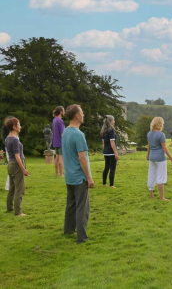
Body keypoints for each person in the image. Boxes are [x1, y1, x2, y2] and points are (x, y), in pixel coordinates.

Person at [62, 104, 94, 243]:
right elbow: (82, 158)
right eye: (82, 112)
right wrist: (89, 178)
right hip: (79, 177)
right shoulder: (79, 135)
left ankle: (68, 230)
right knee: (82, 208)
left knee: (71, 205)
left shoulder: (65, 133)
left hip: (69, 175)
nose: (83, 115)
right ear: (76, 115)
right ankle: (82, 237)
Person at [147, 117, 172, 200]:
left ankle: (151, 195)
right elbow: (164, 148)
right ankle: (162, 197)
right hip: (160, 158)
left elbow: (148, 146)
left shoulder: (149, 133)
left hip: (152, 157)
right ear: (160, 124)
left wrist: (148, 155)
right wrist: (171, 158)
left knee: (151, 175)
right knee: (161, 177)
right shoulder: (161, 134)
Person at [5, 118, 29, 216]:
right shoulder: (14, 140)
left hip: (10, 164)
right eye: (18, 125)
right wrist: (23, 169)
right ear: (14, 127)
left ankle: (9, 207)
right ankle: (18, 212)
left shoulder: (8, 138)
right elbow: (17, 157)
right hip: (16, 164)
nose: (20, 126)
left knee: (12, 188)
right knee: (20, 189)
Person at [101, 115, 119, 188]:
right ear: (111, 121)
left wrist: (103, 152)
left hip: (106, 151)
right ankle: (112, 184)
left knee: (106, 167)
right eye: (114, 120)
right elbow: (112, 142)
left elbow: (103, 143)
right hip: (111, 152)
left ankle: (104, 183)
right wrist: (116, 153)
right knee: (112, 168)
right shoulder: (111, 130)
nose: (114, 121)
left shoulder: (103, 131)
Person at [53, 106, 65, 177]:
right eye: (63, 110)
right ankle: (61, 174)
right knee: (61, 158)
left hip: (55, 142)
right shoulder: (60, 121)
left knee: (57, 158)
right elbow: (62, 133)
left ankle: (57, 172)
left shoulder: (54, 120)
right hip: (60, 142)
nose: (64, 112)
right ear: (60, 112)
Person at [2, 117, 13, 190]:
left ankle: (10, 186)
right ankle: (9, 186)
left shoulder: (9, 137)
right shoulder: (9, 137)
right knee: (12, 170)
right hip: (13, 156)